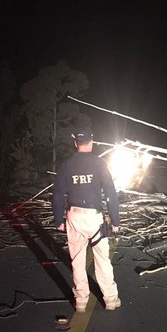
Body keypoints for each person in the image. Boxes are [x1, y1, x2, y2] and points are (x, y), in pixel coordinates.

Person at [52, 127, 121, 313]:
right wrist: (115, 221)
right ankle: (111, 300)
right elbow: (110, 194)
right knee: (102, 259)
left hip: (74, 217)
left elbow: (57, 194)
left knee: (77, 260)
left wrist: (58, 219)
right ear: (91, 142)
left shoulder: (67, 165)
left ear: (76, 144)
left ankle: (81, 301)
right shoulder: (99, 163)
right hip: (95, 218)